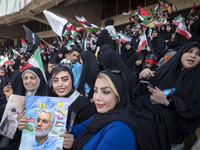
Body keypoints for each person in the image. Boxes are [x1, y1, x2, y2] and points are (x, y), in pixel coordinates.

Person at [61, 70, 160, 150]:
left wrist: (73, 144)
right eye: (95, 90)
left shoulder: (120, 129)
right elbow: (76, 129)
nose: (97, 98)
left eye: (106, 92)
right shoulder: (100, 117)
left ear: (119, 96)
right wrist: (52, 122)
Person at [133, 41, 200, 150]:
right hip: (148, 122)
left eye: (198, 54)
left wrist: (168, 101)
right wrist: (142, 77)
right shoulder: (167, 70)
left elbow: (194, 108)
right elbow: (140, 94)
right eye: (189, 51)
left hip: (173, 134)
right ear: (182, 53)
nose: (193, 55)